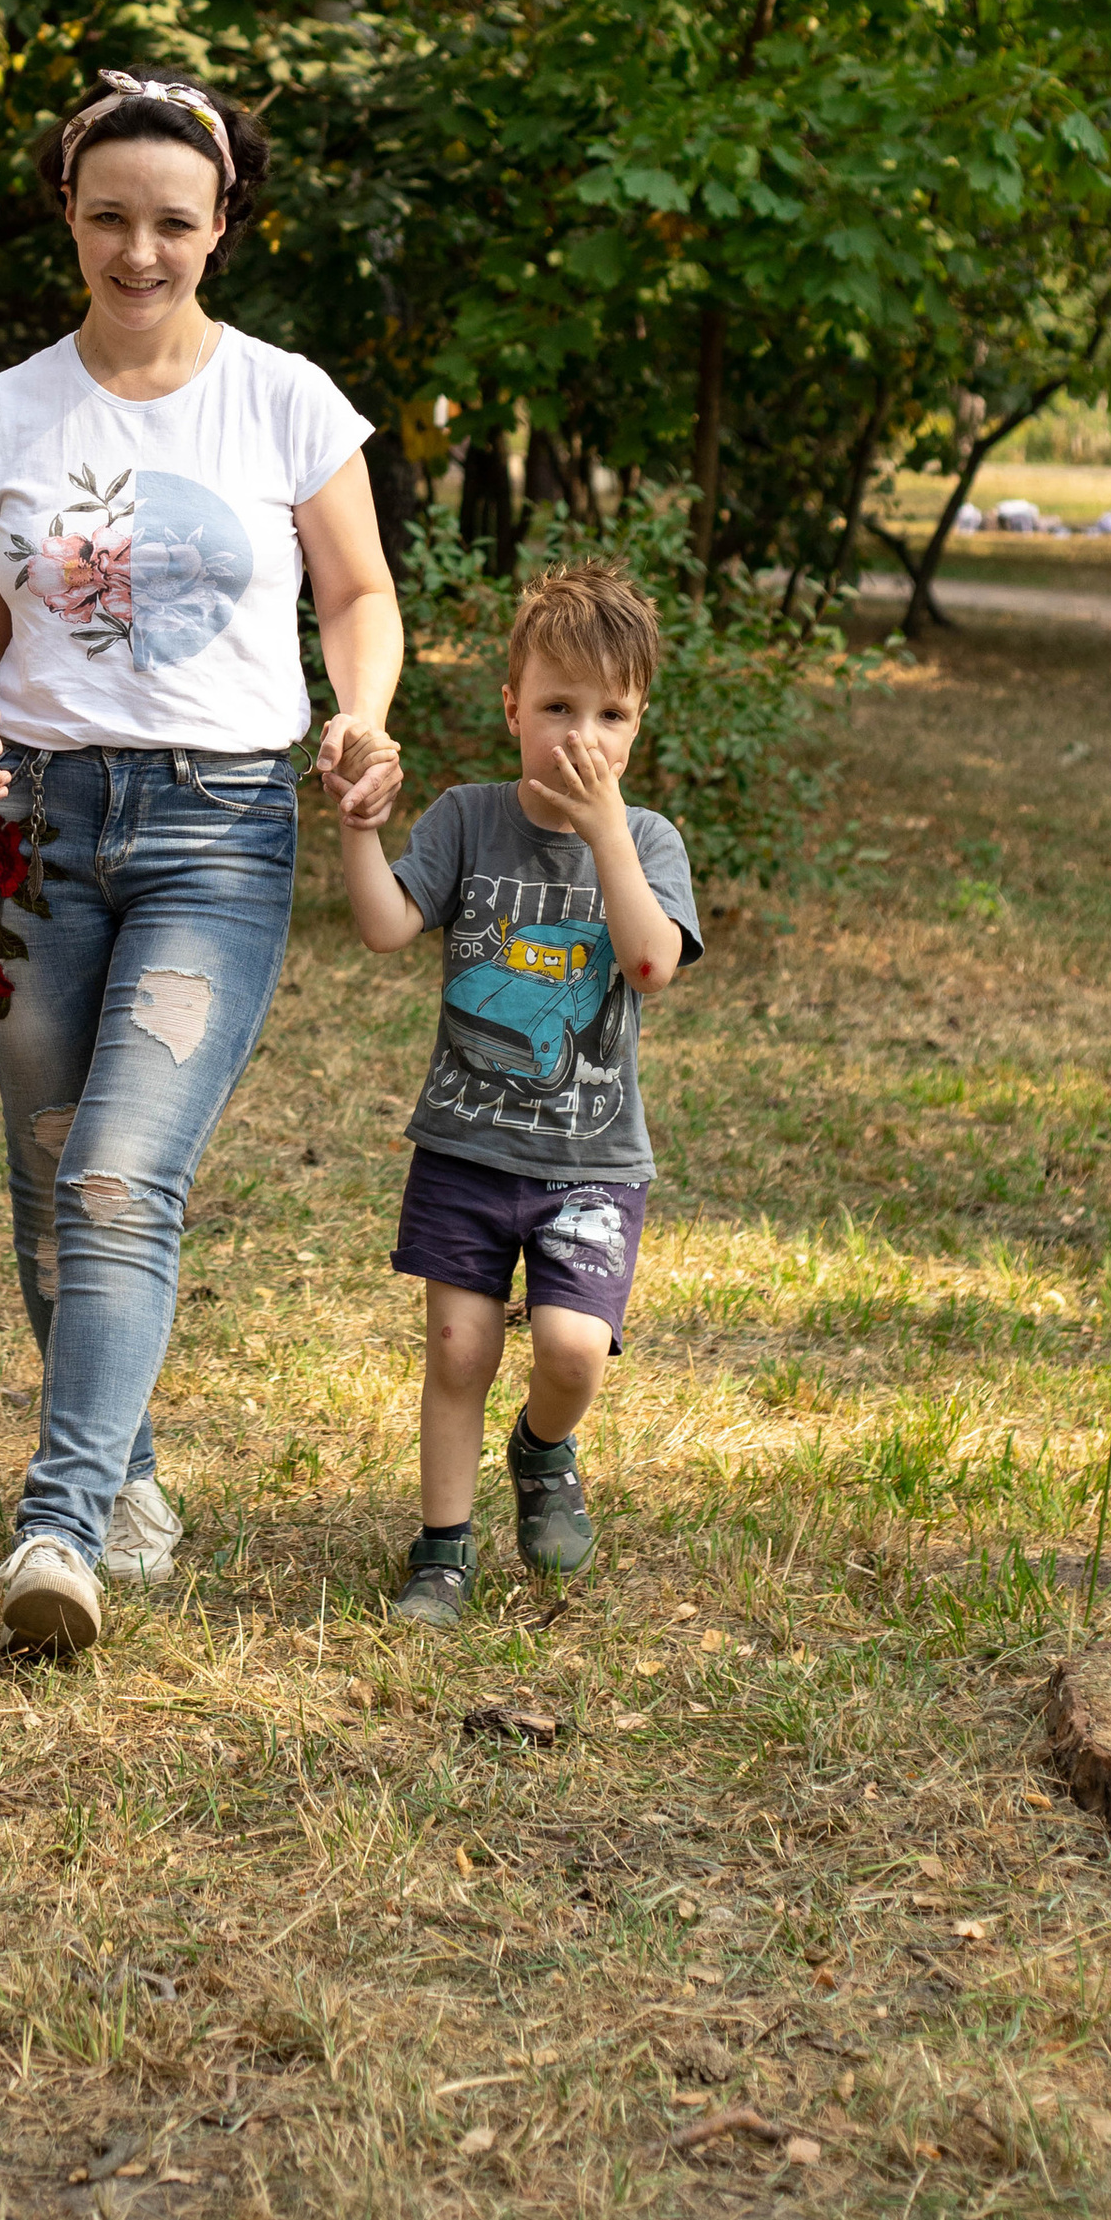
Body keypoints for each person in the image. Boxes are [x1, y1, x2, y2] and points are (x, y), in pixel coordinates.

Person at [0, 67, 405, 1654]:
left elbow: (358, 591)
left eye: (174, 224)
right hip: (31, 835)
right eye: (110, 218)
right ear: (69, 213)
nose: (141, 252)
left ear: (225, 229)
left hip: (219, 827)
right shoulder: (6, 413)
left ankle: (56, 1522)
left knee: (127, 1173)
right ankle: (121, 1473)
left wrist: (362, 712)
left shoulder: (283, 398)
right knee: (55, 1174)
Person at [337, 557, 699, 1630]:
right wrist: (357, 825)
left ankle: (542, 1450)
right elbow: (384, 926)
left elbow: (646, 968)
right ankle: (442, 1551)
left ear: (637, 727)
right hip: (463, 1146)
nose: (578, 733)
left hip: (589, 1161)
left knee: (571, 1350)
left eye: (608, 712)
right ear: (511, 707)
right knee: (458, 1348)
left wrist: (602, 836)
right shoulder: (465, 819)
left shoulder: (646, 842)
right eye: (555, 706)